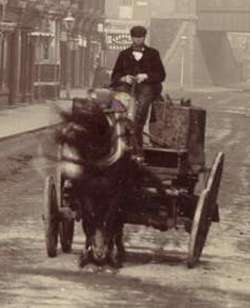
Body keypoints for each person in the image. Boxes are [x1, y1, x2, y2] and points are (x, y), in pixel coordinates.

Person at [111, 25, 166, 150]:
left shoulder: (153, 53)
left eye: (140, 38)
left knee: (143, 101)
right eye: (135, 38)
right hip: (127, 87)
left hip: (148, 87)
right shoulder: (123, 54)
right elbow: (115, 75)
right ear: (131, 38)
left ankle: (137, 129)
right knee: (119, 98)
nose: (137, 40)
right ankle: (120, 128)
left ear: (144, 38)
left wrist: (146, 76)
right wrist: (124, 78)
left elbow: (161, 75)